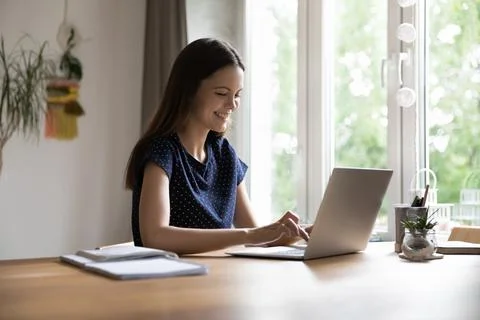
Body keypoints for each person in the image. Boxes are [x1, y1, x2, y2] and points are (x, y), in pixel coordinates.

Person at [124, 38, 310, 255]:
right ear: (190, 90)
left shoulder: (224, 155)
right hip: (169, 285)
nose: (232, 104)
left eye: (237, 94)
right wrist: (251, 235)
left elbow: (256, 234)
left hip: (217, 280)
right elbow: (155, 237)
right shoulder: (162, 152)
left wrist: (303, 232)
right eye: (222, 93)